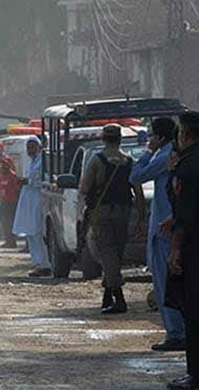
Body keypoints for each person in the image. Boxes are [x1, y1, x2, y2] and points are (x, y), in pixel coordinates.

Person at [129, 118, 185, 351]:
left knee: (165, 281)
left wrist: (145, 154)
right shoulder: (169, 154)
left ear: (161, 137)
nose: (149, 139)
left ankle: (176, 333)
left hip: (165, 228)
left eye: (151, 135)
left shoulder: (164, 156)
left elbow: (136, 176)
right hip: (165, 224)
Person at [80, 124, 145, 314]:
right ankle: (107, 296)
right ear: (120, 139)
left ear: (103, 138)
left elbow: (84, 188)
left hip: (102, 212)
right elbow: (139, 193)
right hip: (124, 212)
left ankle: (119, 297)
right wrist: (141, 218)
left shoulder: (97, 160)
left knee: (107, 252)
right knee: (116, 252)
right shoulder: (129, 160)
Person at [166, 111, 199, 390]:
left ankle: (195, 374)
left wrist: (175, 250)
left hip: (193, 248)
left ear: (186, 135)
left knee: (194, 312)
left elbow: (187, 215)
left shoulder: (187, 168)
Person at [13, 136, 51, 277]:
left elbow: (42, 179)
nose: (30, 150)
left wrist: (27, 181)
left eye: (33, 147)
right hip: (29, 201)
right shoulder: (32, 162)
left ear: (39, 147)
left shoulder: (43, 162)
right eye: (28, 148)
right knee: (32, 233)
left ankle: (44, 264)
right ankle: (39, 263)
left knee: (37, 232)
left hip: (38, 200)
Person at [0, 157, 20, 248]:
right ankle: (7, 240)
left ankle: (12, 241)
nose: (3, 166)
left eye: (5, 164)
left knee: (10, 222)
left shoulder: (13, 176)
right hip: (4, 201)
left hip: (11, 202)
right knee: (4, 222)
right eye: (2, 164)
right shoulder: (1, 176)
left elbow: (17, 189)